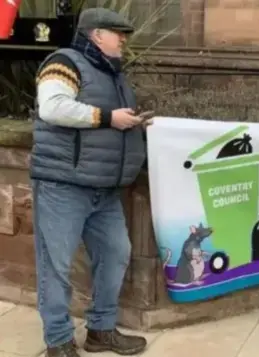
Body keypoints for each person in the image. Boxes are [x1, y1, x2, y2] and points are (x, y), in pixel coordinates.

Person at [31, 8, 150, 357]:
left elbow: (111, 126)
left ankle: (100, 330)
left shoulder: (112, 74)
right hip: (62, 186)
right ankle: (58, 341)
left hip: (104, 189)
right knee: (56, 265)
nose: (124, 39)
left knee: (116, 253)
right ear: (97, 35)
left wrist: (137, 125)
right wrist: (109, 117)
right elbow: (52, 107)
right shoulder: (64, 62)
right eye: (118, 33)